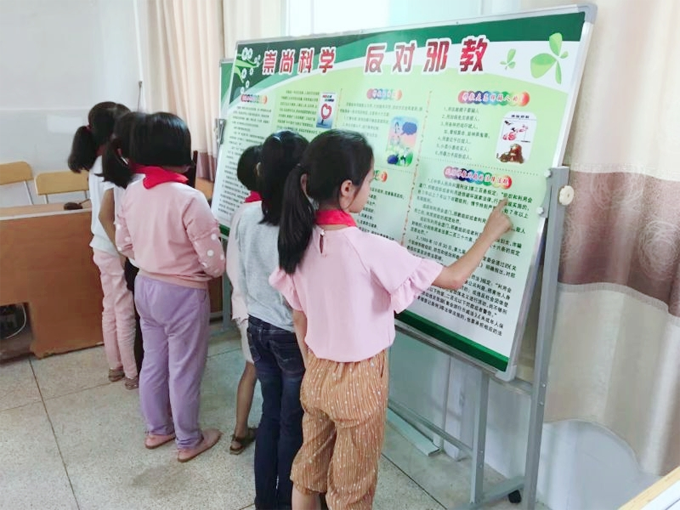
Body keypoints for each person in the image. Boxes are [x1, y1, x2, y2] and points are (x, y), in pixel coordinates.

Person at [271, 130, 513, 510]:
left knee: (308, 474)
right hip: (360, 379)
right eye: (370, 181)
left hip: (316, 372)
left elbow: (299, 318)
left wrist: (314, 367)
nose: (371, 189)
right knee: (350, 493)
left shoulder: (298, 240)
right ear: (347, 189)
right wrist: (490, 233)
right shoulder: (369, 248)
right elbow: (454, 278)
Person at [115, 112, 225, 462]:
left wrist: (152, 260)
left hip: (145, 286)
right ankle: (188, 440)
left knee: (153, 361)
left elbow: (124, 244)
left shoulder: (132, 192)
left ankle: (157, 429)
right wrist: (192, 270)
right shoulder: (189, 197)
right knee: (185, 369)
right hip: (183, 293)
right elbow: (214, 264)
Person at [236, 131, 308, 510]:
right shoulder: (301, 225)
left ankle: (265, 500)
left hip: (258, 326)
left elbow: (243, 274)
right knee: (291, 422)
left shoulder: (248, 215)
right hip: (288, 334)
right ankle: (285, 502)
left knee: (270, 415)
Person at [68, 101, 137, 389]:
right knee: (125, 310)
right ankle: (132, 372)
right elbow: (108, 215)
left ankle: (115, 365)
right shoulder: (111, 165)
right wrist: (122, 251)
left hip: (100, 245)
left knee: (111, 306)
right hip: (112, 247)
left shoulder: (97, 163)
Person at [100, 111, 147, 375]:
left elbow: (108, 217)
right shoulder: (139, 180)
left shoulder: (120, 174)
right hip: (143, 263)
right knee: (139, 323)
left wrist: (122, 250)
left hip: (134, 260)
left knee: (139, 322)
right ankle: (135, 373)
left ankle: (136, 373)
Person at [225, 144, 262, 455]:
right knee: (266, 373)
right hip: (258, 310)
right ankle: (252, 431)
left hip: (242, 306)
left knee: (251, 369)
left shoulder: (241, 211)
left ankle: (239, 432)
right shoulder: (260, 213)